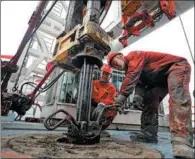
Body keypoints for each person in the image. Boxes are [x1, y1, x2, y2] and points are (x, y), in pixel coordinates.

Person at [107, 51, 193, 158]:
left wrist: (120, 98)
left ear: (120, 56)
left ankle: (182, 140)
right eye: (114, 67)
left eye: (115, 63)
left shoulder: (134, 56)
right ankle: (149, 134)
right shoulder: (129, 70)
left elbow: (133, 75)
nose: (116, 67)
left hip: (176, 67)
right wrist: (138, 96)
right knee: (149, 97)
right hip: (160, 80)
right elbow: (139, 82)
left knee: (177, 95)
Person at [91, 64, 117, 130]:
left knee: (114, 110)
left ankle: (100, 128)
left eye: (107, 74)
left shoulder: (112, 88)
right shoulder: (93, 83)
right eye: (103, 73)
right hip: (91, 106)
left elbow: (110, 99)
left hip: (103, 108)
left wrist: (101, 105)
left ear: (110, 76)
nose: (104, 76)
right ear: (100, 73)